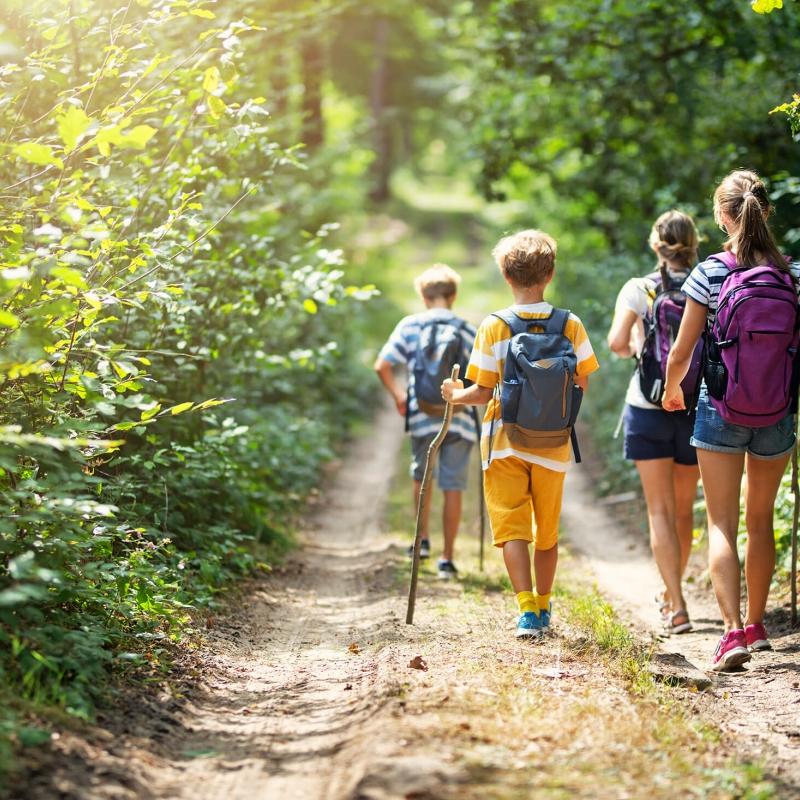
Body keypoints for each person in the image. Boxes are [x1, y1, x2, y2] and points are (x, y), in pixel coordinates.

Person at [663, 170, 800, 671]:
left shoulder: (710, 273)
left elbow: (682, 350)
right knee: (759, 520)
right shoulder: (793, 274)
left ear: (723, 217)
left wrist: (672, 389)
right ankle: (759, 626)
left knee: (721, 520)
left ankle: (731, 634)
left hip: (719, 407)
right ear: (766, 211)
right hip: (778, 411)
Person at [442, 230, 599, 638]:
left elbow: (480, 391)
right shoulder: (571, 324)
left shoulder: (494, 326)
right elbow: (582, 381)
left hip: (504, 442)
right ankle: (546, 607)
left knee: (513, 527)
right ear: (549, 274)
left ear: (505, 277)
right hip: (554, 444)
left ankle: (526, 610)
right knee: (546, 532)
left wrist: (454, 395)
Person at [607, 211, 701, 634]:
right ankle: (672, 592)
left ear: (655, 245)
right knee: (683, 510)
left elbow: (616, 343)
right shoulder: (709, 283)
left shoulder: (639, 288)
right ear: (693, 243)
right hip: (695, 406)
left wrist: (640, 353)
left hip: (647, 407)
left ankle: (676, 604)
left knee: (659, 510)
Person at [374, 264, 478, 579]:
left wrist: (399, 396)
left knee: (422, 477)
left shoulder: (410, 326)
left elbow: (382, 365)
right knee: (454, 484)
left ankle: (421, 541)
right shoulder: (467, 328)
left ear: (423, 296)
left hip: (421, 416)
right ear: (453, 295)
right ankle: (447, 558)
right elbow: (483, 377)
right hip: (458, 418)